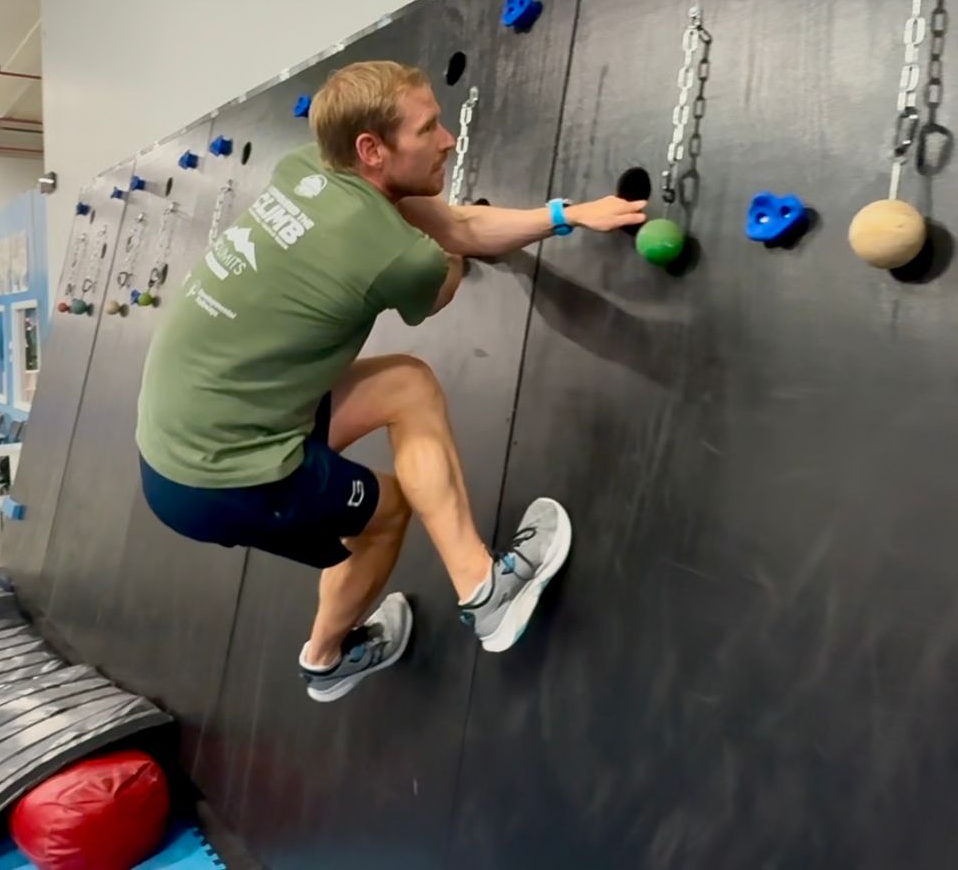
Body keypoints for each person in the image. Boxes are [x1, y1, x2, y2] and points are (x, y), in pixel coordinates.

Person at [137, 60, 647, 702]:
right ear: (372, 149)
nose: (447, 140)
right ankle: (400, 630)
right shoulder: (396, 257)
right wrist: (443, 252)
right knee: (386, 512)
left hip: (190, 419)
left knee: (407, 384)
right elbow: (449, 259)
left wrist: (567, 214)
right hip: (219, 476)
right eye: (428, 129)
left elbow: (456, 225)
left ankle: (407, 622)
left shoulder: (307, 166)